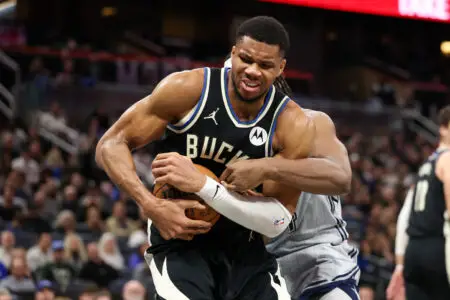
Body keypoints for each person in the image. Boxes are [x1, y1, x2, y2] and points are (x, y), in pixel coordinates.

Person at [97, 16, 316, 300]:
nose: (252, 71)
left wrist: (203, 186)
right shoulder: (187, 89)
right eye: (246, 59)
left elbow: (277, 221)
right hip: (181, 242)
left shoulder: (292, 125)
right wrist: (150, 205)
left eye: (265, 65)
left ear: (281, 68)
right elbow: (110, 143)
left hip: (247, 250)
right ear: (233, 53)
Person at [223, 58, 359, 299]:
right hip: (260, 265)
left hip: (317, 255)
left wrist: (267, 167)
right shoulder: (225, 142)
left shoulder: (312, 122)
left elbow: (341, 178)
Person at [386, 105, 450, 300]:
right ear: (443, 128)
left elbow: (404, 218)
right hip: (438, 251)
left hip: (413, 253)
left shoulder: (427, 165)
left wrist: (399, 264)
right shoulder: (447, 160)